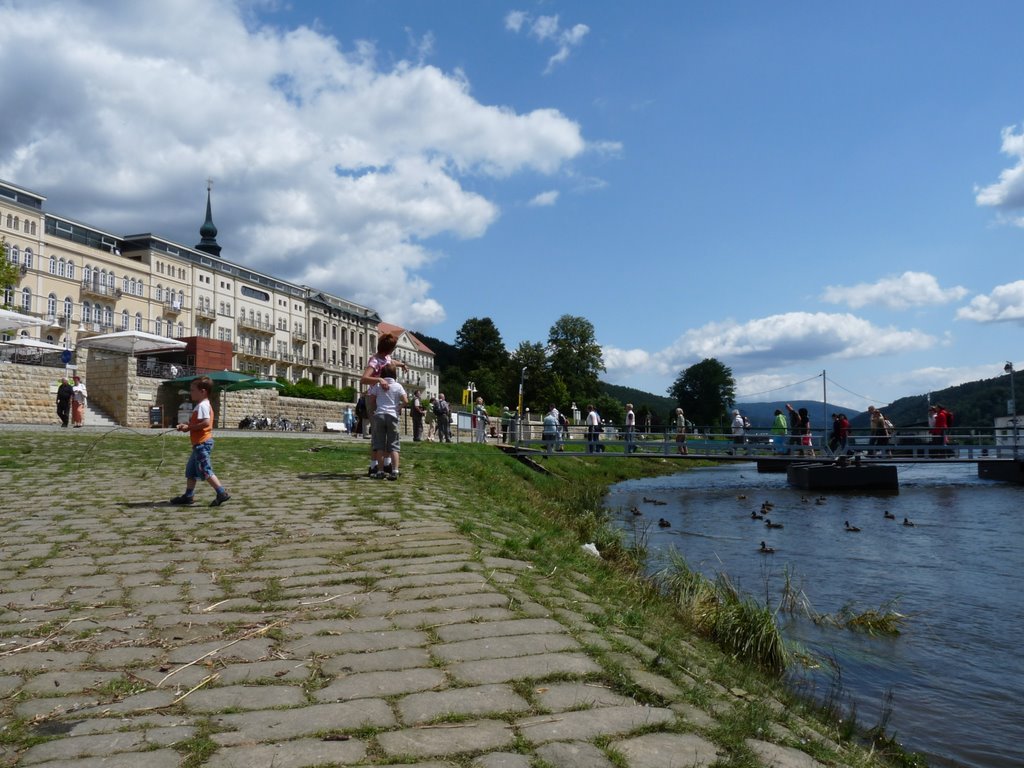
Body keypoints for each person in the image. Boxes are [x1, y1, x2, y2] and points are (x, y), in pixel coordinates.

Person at [170, 376, 231, 507]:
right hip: (199, 444)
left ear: (202, 391)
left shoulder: (203, 405)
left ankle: (221, 493)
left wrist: (189, 428)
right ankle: (189, 496)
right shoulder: (201, 405)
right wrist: (185, 425)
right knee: (191, 471)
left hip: (202, 444)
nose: (190, 392)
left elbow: (206, 423)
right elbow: (198, 422)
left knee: (205, 470)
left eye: (192, 390)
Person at [360, 333, 407, 475]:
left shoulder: (386, 358)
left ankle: (386, 464)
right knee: (377, 434)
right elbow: (364, 379)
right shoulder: (374, 361)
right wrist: (379, 379)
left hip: (381, 399)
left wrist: (402, 364)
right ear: (388, 348)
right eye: (393, 347)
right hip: (374, 398)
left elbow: (391, 362)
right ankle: (373, 465)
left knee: (387, 435)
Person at [367, 363, 407, 480]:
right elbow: (405, 400)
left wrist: (375, 408)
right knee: (394, 445)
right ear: (394, 373)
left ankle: (380, 471)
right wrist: (398, 408)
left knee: (379, 445)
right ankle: (395, 471)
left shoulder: (377, 386)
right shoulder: (398, 386)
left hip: (379, 415)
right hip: (392, 416)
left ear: (383, 373)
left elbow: (372, 400)